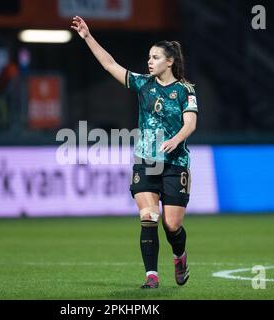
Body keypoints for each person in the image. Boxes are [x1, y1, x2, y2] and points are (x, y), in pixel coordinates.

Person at [71, 16, 198, 289]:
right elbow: (109, 65)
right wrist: (87, 36)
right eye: (148, 57)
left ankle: (180, 256)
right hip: (146, 162)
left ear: (169, 62)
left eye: (155, 57)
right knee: (149, 217)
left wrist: (176, 139)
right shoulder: (143, 84)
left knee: (172, 225)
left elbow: (191, 123)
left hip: (176, 163)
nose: (149, 61)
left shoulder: (185, 90)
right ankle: (151, 276)